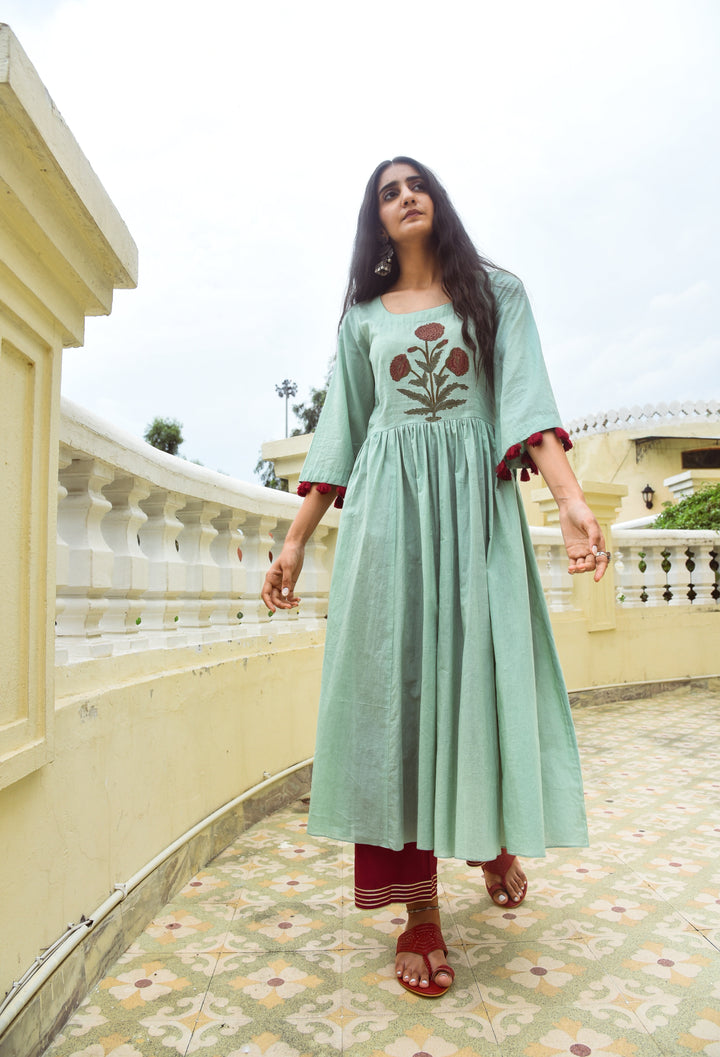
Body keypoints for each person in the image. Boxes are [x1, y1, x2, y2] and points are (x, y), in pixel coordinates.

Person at [262, 157, 610, 998]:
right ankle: (419, 909)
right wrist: (295, 542)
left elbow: (527, 404)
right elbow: (340, 435)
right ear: (377, 219)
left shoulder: (497, 294)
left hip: (477, 515)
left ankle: (492, 839)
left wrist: (569, 501)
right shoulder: (361, 321)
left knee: (484, 679)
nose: (405, 196)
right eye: (389, 191)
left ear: (436, 200)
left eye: (416, 184)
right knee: (401, 698)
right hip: (389, 524)